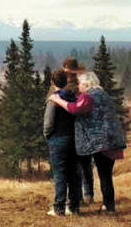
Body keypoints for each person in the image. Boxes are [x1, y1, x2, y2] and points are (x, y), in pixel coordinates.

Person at [49, 71, 127, 214]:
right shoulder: (103, 95)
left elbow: (75, 109)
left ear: (86, 83)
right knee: (106, 175)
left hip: (101, 142)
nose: (78, 87)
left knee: (103, 174)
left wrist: (57, 99)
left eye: (80, 84)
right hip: (113, 139)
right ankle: (107, 205)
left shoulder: (89, 96)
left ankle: (107, 207)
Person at [43, 69, 80, 216]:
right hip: (73, 138)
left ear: (52, 82)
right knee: (73, 174)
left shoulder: (54, 100)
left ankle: (59, 208)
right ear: (66, 82)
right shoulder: (73, 97)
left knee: (60, 175)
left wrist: (48, 135)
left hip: (58, 139)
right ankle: (74, 207)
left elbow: (48, 122)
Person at [61, 57, 94, 204]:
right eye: (67, 72)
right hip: (69, 128)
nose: (69, 75)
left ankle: (88, 194)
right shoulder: (63, 85)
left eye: (71, 73)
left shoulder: (80, 86)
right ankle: (78, 196)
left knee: (85, 163)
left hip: (81, 126)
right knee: (75, 165)